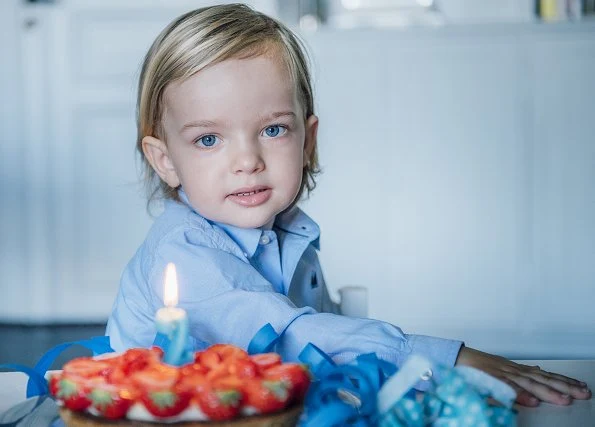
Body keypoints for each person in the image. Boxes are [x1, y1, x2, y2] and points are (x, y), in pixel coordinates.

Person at [106, 3, 590, 407]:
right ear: (165, 161)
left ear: (307, 140)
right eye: (209, 139)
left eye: (273, 129)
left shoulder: (289, 231)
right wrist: (445, 359)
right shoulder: (184, 254)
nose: (248, 160)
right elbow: (292, 336)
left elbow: (327, 344)